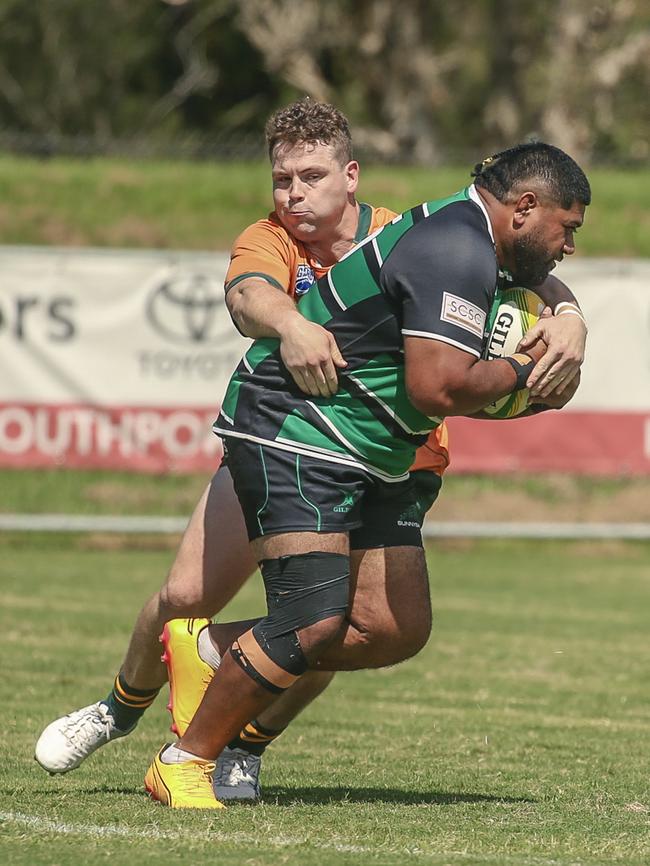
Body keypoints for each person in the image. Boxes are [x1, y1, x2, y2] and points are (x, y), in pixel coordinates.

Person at [142, 140, 591, 809]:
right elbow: (438, 387)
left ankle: (205, 647)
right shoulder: (455, 248)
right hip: (297, 431)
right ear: (525, 208)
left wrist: (567, 326)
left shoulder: (478, 243)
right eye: (568, 228)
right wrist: (526, 374)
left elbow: (451, 381)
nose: (568, 246)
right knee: (311, 622)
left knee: (391, 626)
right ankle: (184, 761)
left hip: (370, 450)